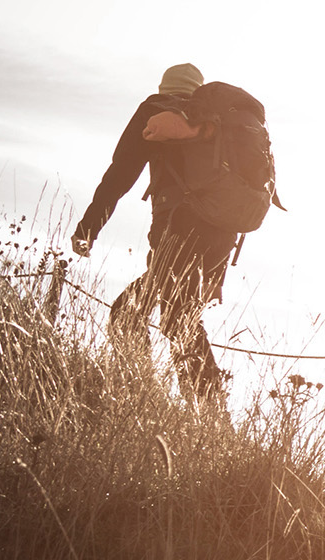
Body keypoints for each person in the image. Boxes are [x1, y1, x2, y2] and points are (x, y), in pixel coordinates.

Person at [70, 63, 239, 413]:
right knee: (176, 316)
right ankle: (196, 408)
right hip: (223, 238)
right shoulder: (218, 126)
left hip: (178, 229)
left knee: (141, 315)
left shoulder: (158, 110)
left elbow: (120, 174)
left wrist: (88, 228)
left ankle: (170, 405)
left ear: (166, 88)